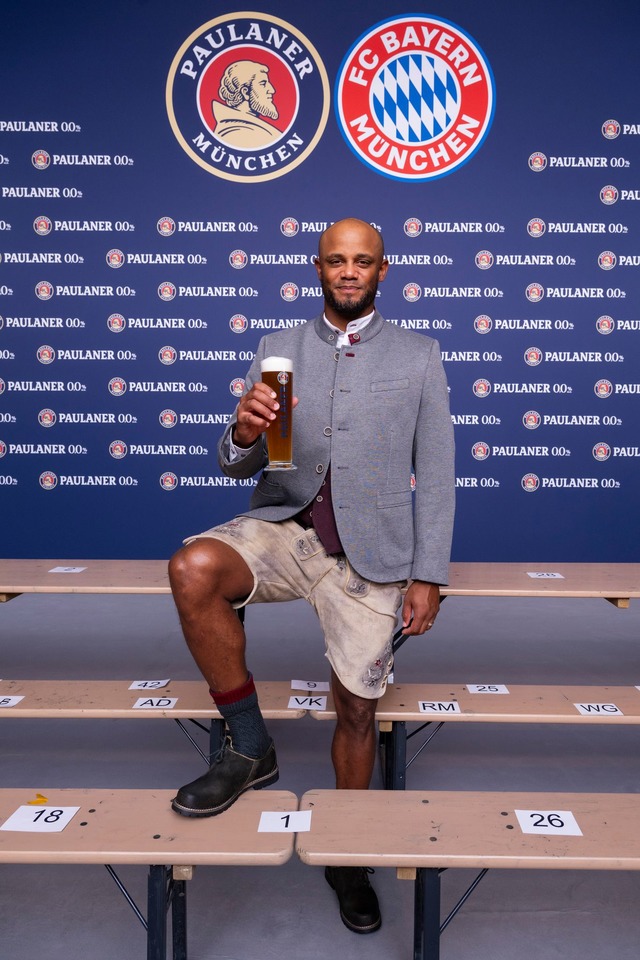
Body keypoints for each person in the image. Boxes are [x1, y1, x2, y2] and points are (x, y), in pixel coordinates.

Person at [168, 217, 455, 934]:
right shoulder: (279, 351)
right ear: (318, 268)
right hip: (288, 528)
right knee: (192, 565)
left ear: (382, 271)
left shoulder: (419, 356)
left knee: (358, 707)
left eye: (363, 261)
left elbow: (441, 475)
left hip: (373, 555)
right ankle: (248, 744)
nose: (349, 271)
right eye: (336, 260)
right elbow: (258, 462)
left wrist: (429, 575)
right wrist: (241, 433)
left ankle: (346, 854)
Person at [212, 60, 280, 148]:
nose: (272, 90)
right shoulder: (234, 132)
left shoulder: (252, 128)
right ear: (245, 93)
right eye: (263, 84)